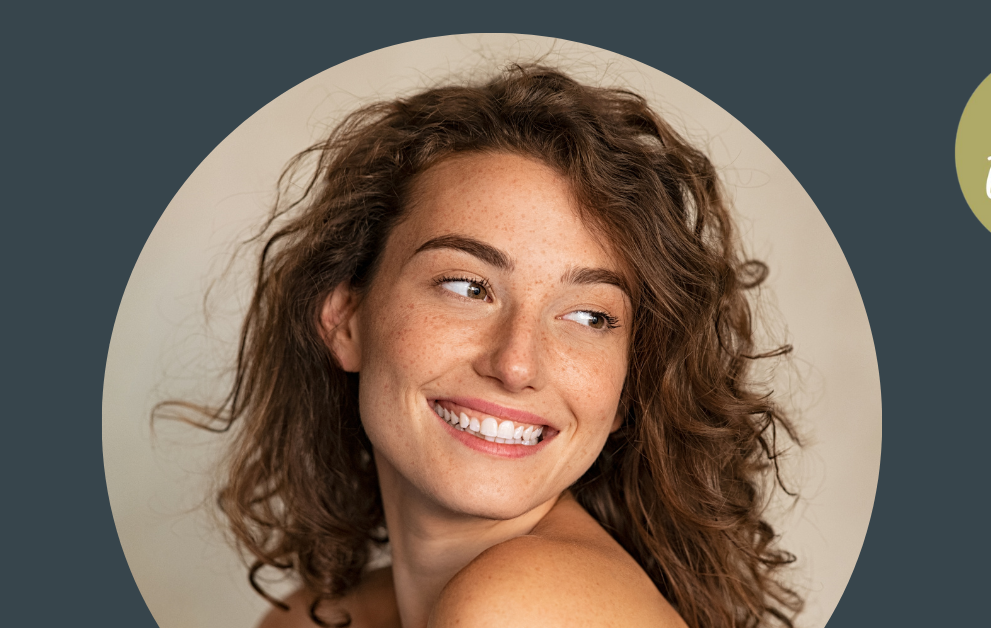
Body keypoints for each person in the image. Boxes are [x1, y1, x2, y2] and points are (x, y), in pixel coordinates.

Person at [169, 65, 803, 628]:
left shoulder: (517, 609)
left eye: (588, 316)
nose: (516, 363)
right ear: (346, 319)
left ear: (627, 385)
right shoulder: (313, 618)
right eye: (468, 286)